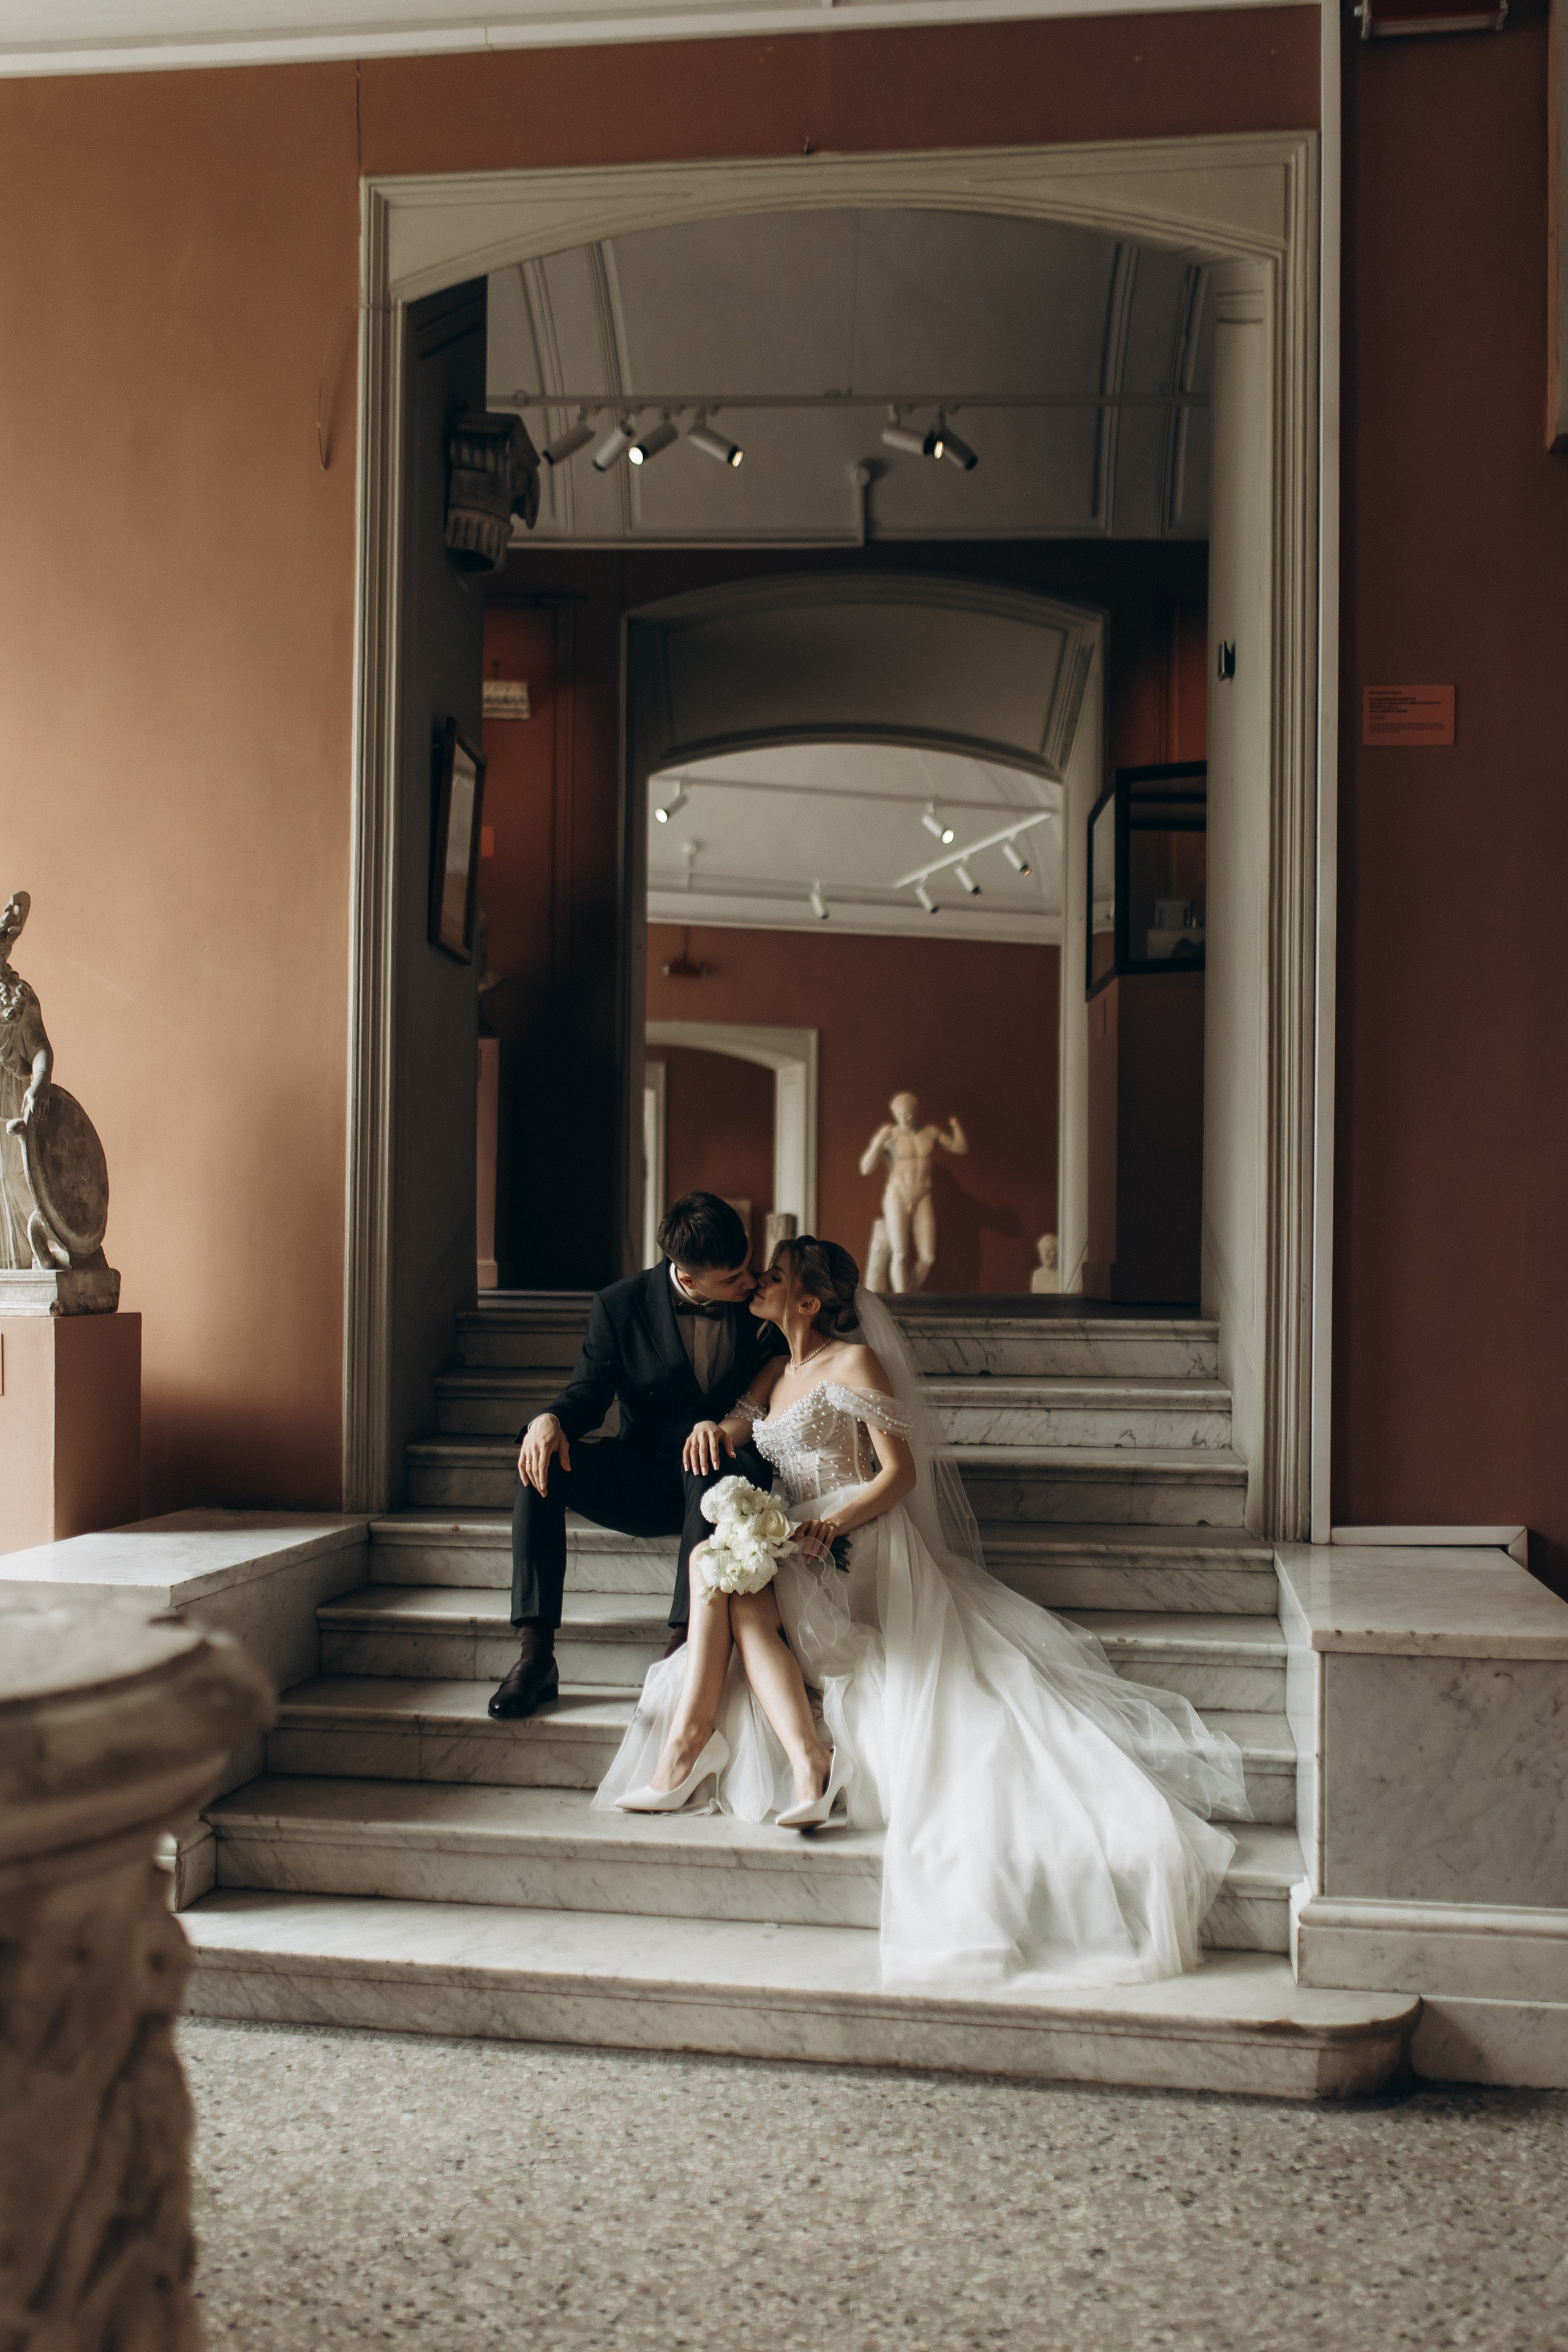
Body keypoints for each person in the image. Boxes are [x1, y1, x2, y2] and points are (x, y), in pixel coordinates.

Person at [596, 1235, 1250, 1992]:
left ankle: (697, 1751)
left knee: (722, 1579)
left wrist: (831, 1526)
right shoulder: (772, 1370)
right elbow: (741, 1428)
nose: (759, 1284)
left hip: (857, 1535)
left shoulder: (854, 1363)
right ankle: (795, 1763)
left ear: (808, 1300)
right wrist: (715, 1430)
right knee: (719, 1567)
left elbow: (899, 1474)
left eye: (773, 1276)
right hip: (795, 1532)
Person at [491, 1191, 786, 1721]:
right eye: (734, 1277)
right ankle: (535, 1656)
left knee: (710, 1458)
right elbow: (588, 1396)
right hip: (645, 1478)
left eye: (750, 1264)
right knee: (538, 1467)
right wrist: (548, 1420)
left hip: (724, 1486)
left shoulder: (761, 1306)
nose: (751, 1281)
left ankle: (686, 1644)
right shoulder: (619, 1304)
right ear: (688, 1277)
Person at [858, 1092, 967, 1292]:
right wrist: (879, 1144)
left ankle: (909, 1295)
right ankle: (903, 1302)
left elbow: (960, 1148)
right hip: (898, 1195)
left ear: (916, 1110)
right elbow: (865, 1168)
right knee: (900, 1253)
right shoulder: (890, 1134)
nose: (906, 1117)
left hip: (923, 1195)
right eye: (901, 1114)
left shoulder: (930, 1133)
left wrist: (955, 1125)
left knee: (928, 1258)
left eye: (910, 1112)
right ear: (894, 1114)